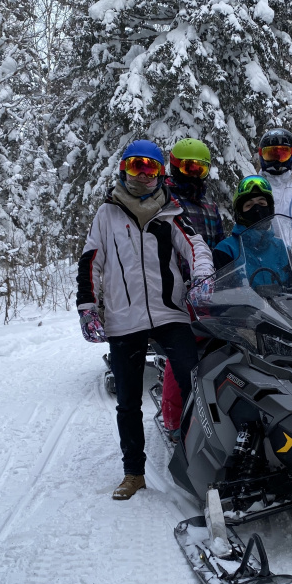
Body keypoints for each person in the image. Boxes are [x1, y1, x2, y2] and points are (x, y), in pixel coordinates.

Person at [77, 139, 214, 500]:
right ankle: (133, 473)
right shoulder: (107, 214)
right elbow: (91, 261)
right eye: (136, 164)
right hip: (124, 319)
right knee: (127, 401)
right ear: (123, 168)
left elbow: (197, 246)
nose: (142, 173)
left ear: (160, 173)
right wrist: (88, 307)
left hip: (171, 313)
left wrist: (202, 275)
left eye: (150, 167)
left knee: (192, 385)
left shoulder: (171, 211)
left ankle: (196, 461)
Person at [159, 138, 224, 438]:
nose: (194, 173)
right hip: (177, 290)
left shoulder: (210, 206)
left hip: (211, 289)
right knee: (182, 355)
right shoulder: (166, 201)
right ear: (175, 165)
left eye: (200, 168)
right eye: (188, 166)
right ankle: (173, 419)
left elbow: (219, 244)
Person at [213, 175, 292, 287]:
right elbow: (222, 295)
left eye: (262, 203)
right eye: (249, 205)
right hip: (243, 305)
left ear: (270, 209)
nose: (257, 209)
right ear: (240, 213)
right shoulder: (226, 250)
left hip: (282, 305)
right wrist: (253, 297)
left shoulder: (282, 249)